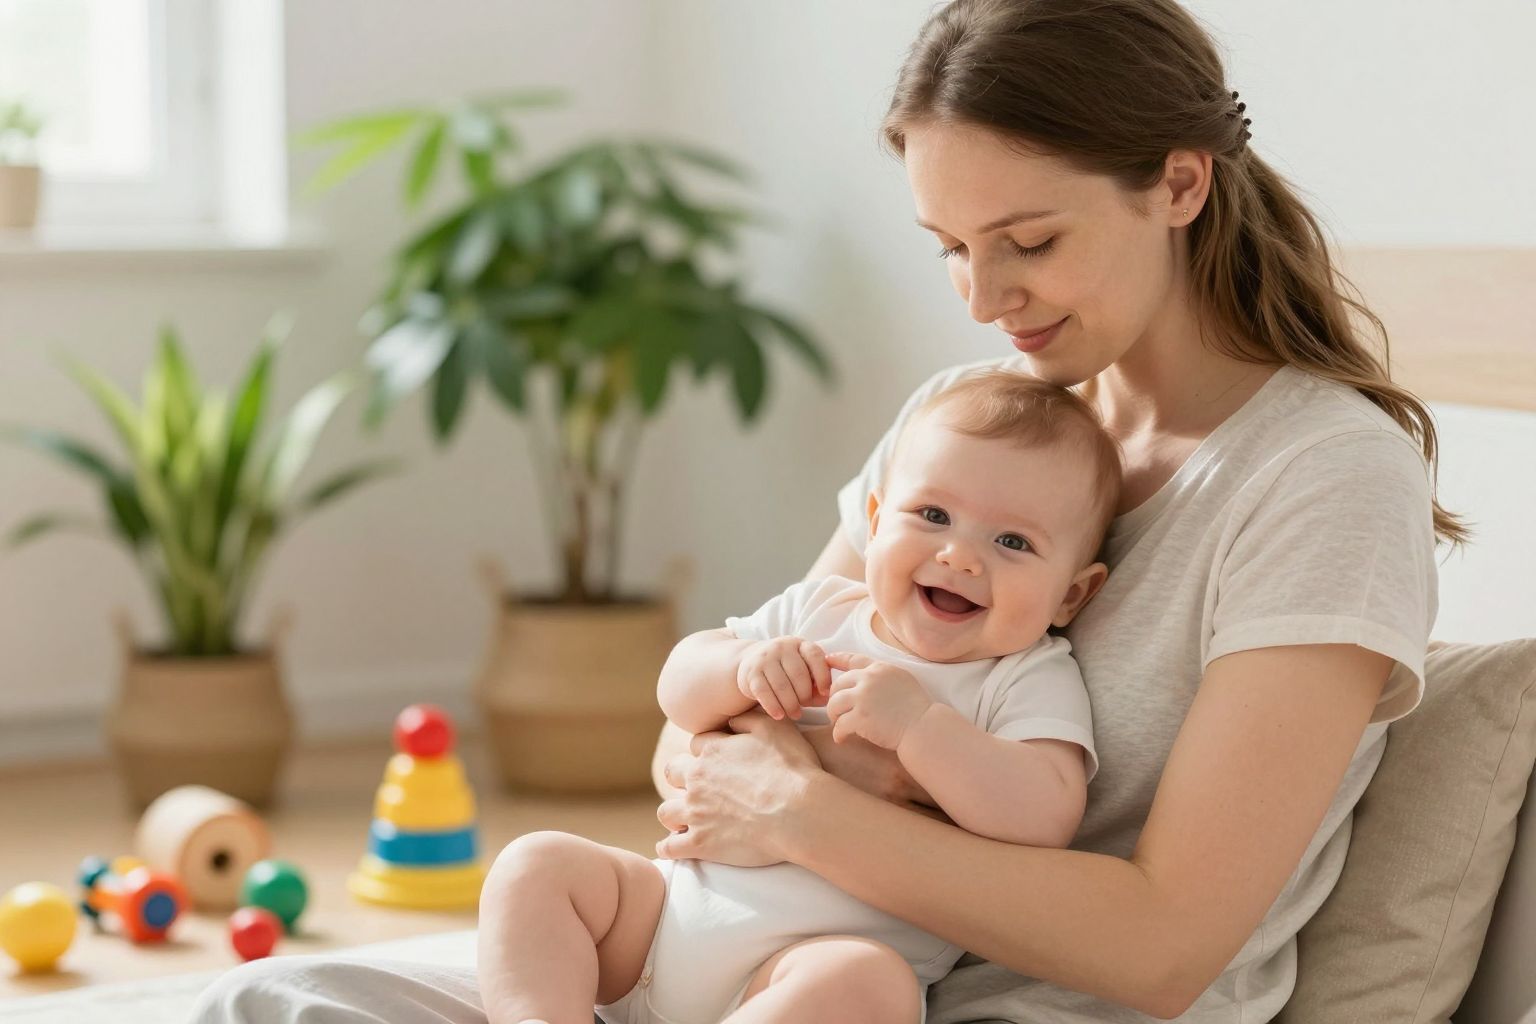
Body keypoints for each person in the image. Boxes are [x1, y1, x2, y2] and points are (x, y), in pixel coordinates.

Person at [186, 0, 1457, 1020]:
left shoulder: (1325, 478)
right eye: (951, 246)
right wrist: (759, 764)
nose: (983, 298)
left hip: (988, 1000)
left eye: (1028, 241)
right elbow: (704, 744)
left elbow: (1164, 949)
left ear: (1179, 184)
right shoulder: (966, 418)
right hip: (742, 954)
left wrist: (806, 808)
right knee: (272, 998)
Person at [477, 369, 1121, 1024]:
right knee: (536, 863)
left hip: (795, 971)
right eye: (933, 516)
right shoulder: (820, 608)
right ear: (875, 522)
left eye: (1012, 542)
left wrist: (921, 727)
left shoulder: (1026, 677)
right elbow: (678, 690)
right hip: (654, 924)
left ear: (1071, 594)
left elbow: (1043, 815)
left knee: (872, 985)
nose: (959, 556)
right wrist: (740, 666)